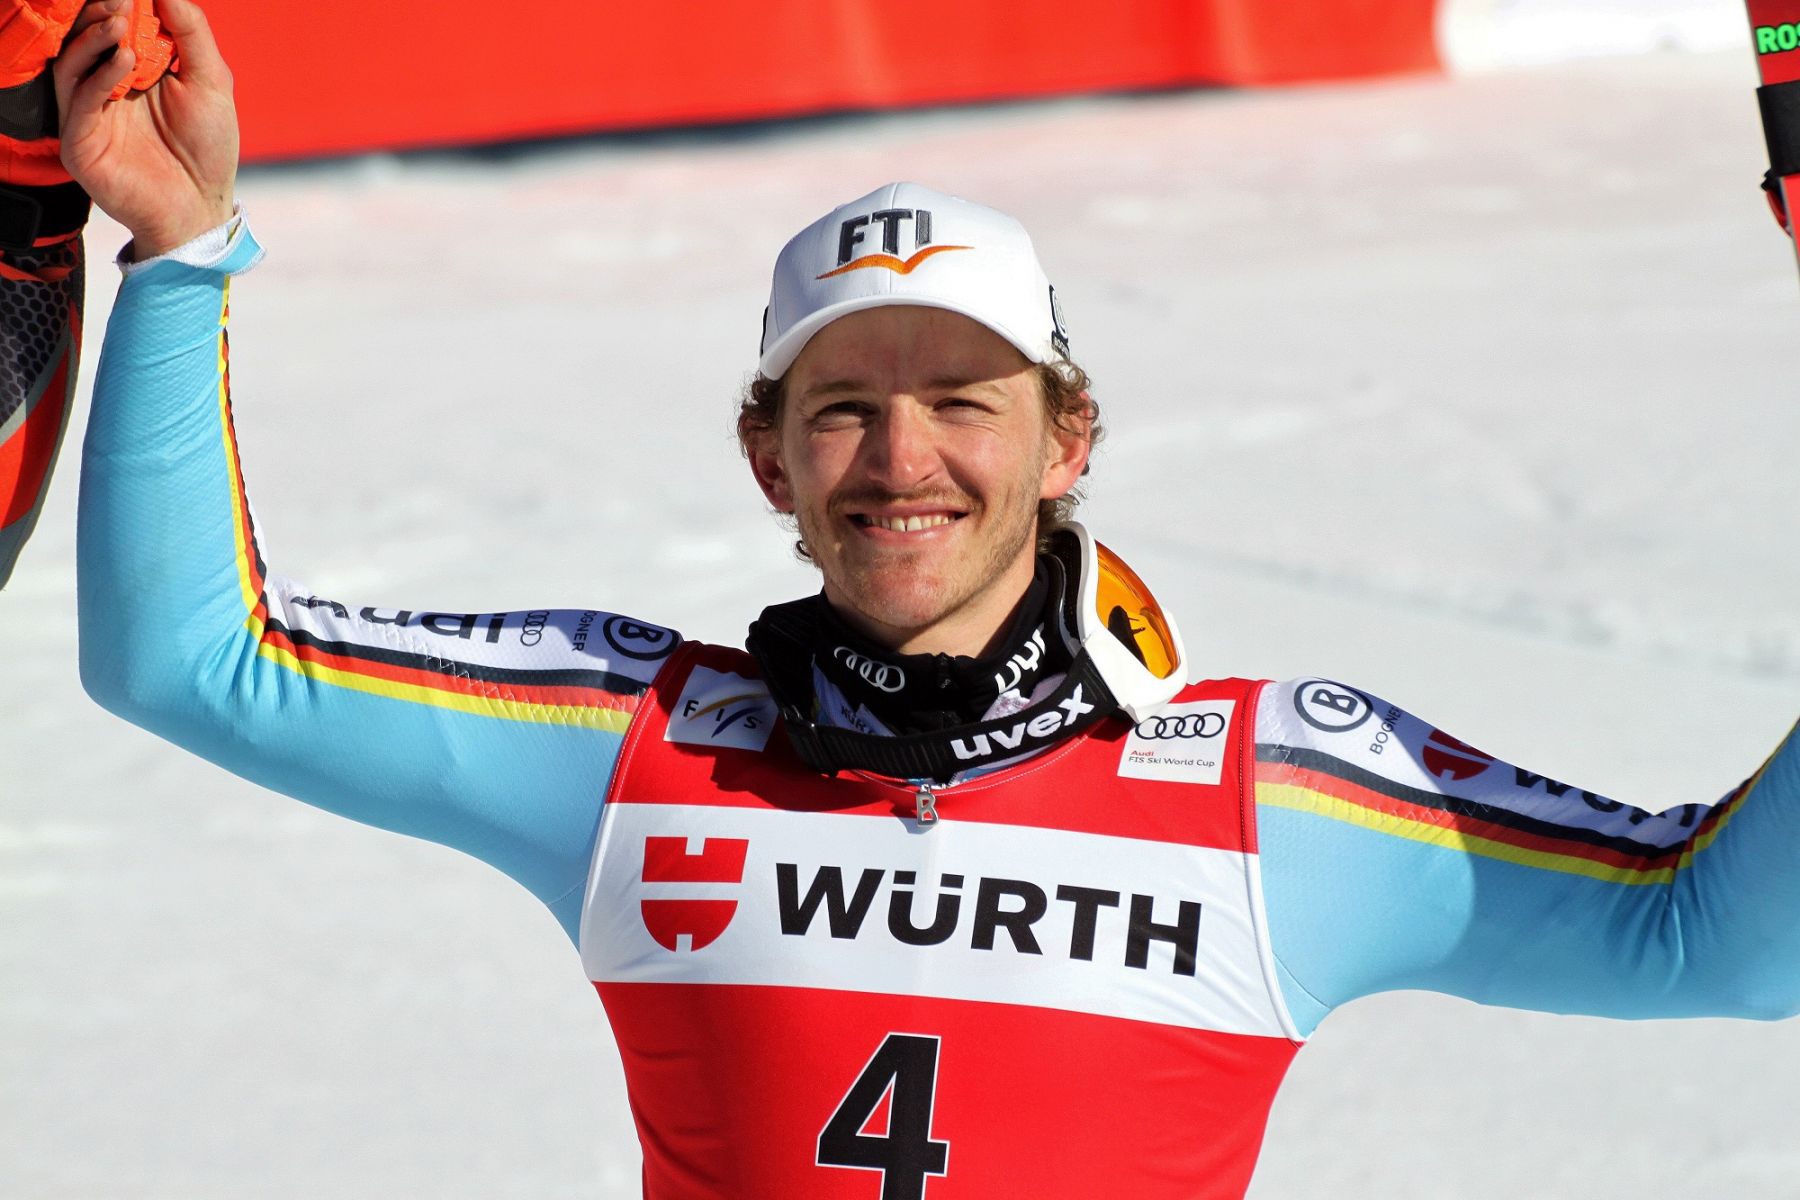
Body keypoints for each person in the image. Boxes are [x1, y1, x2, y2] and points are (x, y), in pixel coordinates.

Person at [53, 2, 1800, 1197]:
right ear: (770, 460)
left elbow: (1721, 943)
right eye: (843, 408)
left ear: (1067, 441)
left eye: (964, 400)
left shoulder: (1279, 800)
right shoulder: (635, 746)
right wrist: (183, 257)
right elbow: (195, 661)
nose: (902, 458)